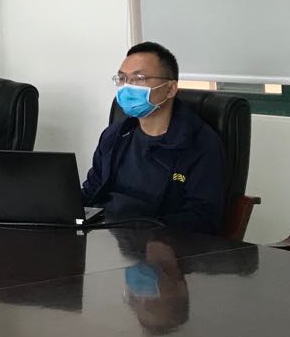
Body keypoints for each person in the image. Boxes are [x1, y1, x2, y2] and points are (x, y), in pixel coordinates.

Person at [82, 41, 226, 234]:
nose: (127, 87)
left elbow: (202, 217)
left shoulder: (201, 143)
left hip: (159, 241)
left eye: (139, 78)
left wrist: (155, 234)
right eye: (122, 79)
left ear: (170, 89)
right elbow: (91, 191)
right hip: (106, 235)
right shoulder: (114, 135)